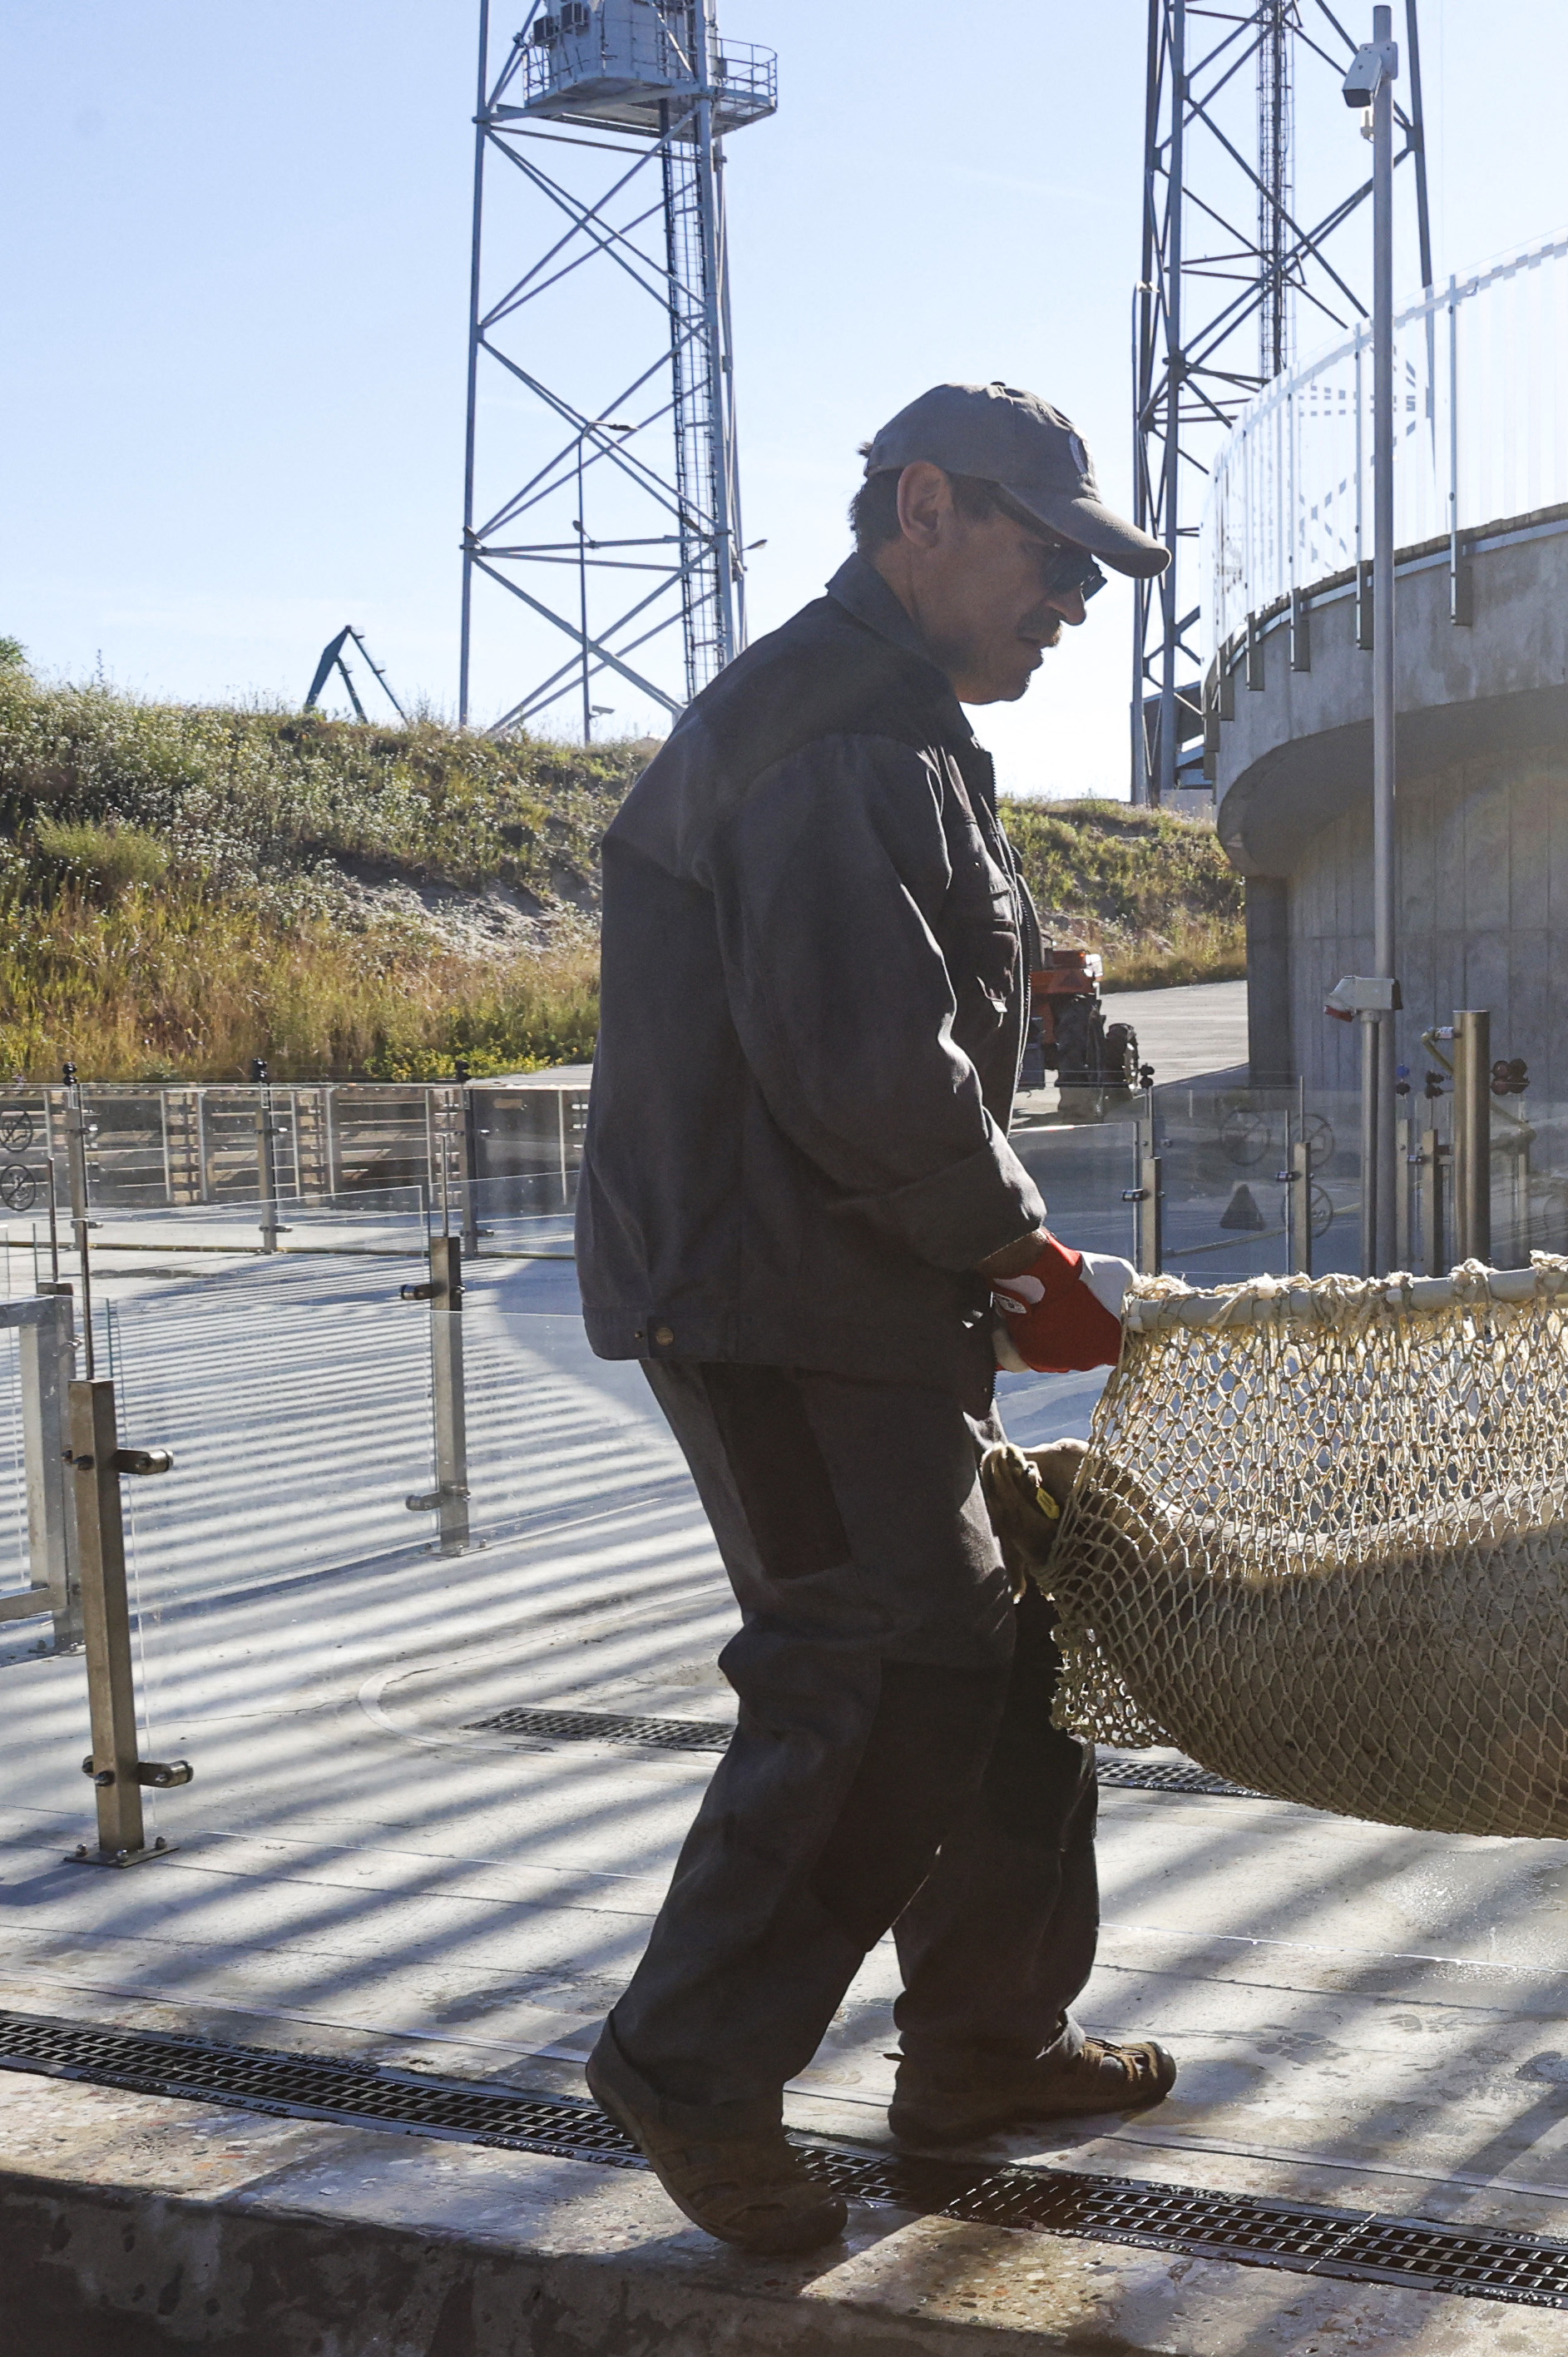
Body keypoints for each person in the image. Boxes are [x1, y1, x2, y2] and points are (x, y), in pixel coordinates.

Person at [575, 383, 1175, 2253]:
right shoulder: (834, 728)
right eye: (1052, 554)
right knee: (881, 1662)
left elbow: (884, 1010)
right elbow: (860, 1066)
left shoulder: (888, 726)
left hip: (845, 1288)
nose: (1077, 601)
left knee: (1008, 1643)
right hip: (776, 1301)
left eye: (1095, 571)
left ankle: (987, 2040)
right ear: (925, 508)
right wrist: (1017, 1258)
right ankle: (692, 2064)